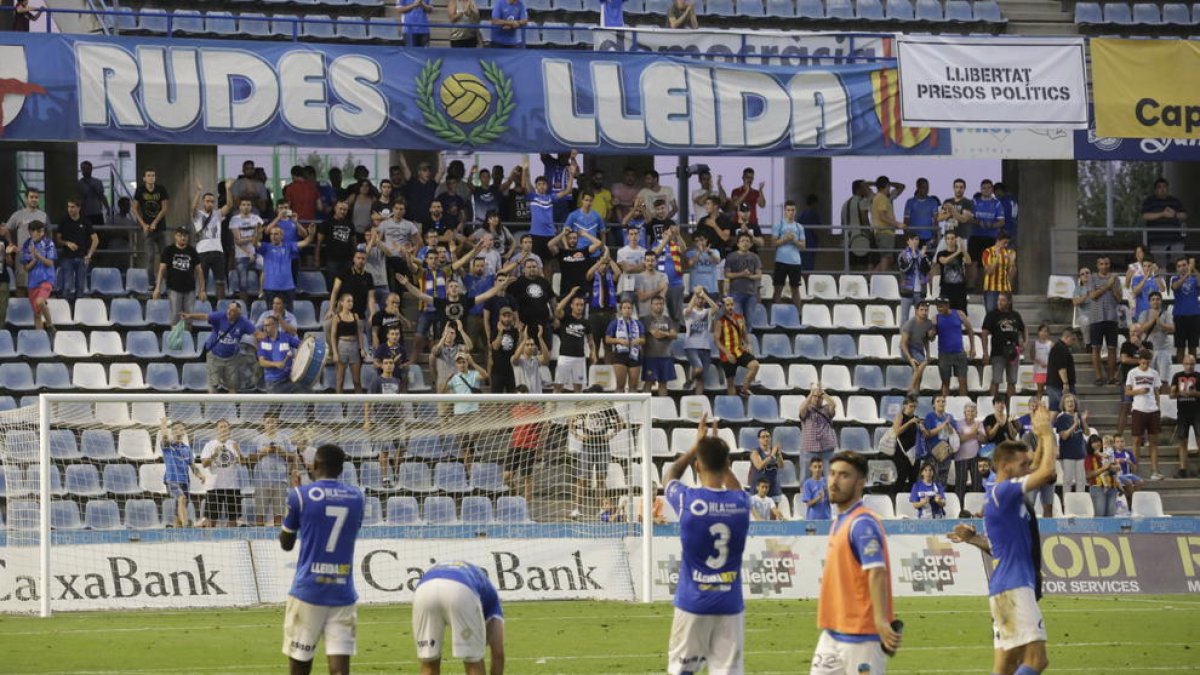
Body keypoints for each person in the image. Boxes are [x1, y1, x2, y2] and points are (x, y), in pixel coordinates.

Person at [948, 405, 1056, 675]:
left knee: (1007, 665)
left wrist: (973, 539)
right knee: (1036, 660)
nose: (1027, 467)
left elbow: (996, 548)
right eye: (1022, 464)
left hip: (1005, 587)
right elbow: (1046, 473)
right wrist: (1045, 433)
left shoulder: (1004, 496)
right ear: (1005, 466)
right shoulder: (1005, 491)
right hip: (1015, 587)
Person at [664, 414, 748, 675]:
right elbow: (737, 489)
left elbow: (670, 476)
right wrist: (716, 456)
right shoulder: (742, 504)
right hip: (729, 604)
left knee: (681, 671)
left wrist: (695, 447)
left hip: (693, 602)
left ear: (698, 466)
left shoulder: (687, 501)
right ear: (727, 465)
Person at [811, 451, 900, 674]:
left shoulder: (862, 523)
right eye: (831, 474)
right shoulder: (841, 521)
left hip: (862, 637)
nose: (833, 481)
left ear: (860, 482)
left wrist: (880, 620)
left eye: (844, 476)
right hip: (833, 631)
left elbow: (876, 571)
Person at [280, 444, 364, 675]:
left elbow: (286, 544)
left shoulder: (300, 495)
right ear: (341, 468)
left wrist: (295, 505)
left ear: (315, 465)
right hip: (342, 591)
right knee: (340, 670)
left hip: (309, 590)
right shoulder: (357, 497)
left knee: (300, 663)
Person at [412, 561, 505, 675]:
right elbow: (498, 653)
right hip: (461, 589)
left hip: (424, 589)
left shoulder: (479, 579)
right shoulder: (493, 602)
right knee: (473, 661)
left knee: (429, 662)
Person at [182, 302, 257, 394]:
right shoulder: (220, 316)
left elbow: (257, 334)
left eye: (232, 311)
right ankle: (212, 406)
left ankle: (233, 406)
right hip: (214, 356)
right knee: (213, 385)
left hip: (232, 358)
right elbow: (205, 316)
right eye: (229, 309)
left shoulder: (244, 322)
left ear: (238, 314)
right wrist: (190, 316)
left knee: (233, 386)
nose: (229, 312)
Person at [569, 404, 623, 519]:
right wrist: (577, 435)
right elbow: (571, 421)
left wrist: (611, 434)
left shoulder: (607, 407)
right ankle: (577, 509)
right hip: (587, 446)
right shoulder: (584, 407)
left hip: (603, 446)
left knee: (600, 479)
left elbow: (620, 422)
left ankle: (601, 510)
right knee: (582, 479)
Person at [251, 412, 299, 526]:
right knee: (260, 514)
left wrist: (280, 451)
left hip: (280, 480)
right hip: (261, 481)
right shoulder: (256, 440)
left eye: (273, 421)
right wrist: (263, 452)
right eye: (268, 422)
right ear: (264, 424)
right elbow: (250, 460)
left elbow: (293, 457)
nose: (271, 424)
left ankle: (277, 539)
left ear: (277, 423)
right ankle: (259, 538)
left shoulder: (285, 438)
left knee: (279, 515)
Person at [981, 292, 1028, 403]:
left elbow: (1024, 328)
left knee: (1012, 381)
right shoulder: (992, 315)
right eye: (998, 300)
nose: (999, 302)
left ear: (1009, 302)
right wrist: (985, 352)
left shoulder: (1015, 315)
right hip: (998, 352)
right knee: (996, 380)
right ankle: (993, 404)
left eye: (1002, 300)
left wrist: (1025, 342)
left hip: (1014, 352)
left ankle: (1010, 405)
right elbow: (984, 333)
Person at [1125, 348, 1164, 480]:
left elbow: (1157, 391)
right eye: (1142, 363)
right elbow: (1127, 392)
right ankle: (1135, 471)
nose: (1145, 365)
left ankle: (1154, 471)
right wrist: (1139, 391)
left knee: (1153, 442)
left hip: (1153, 409)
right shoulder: (1132, 373)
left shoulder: (1154, 373)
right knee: (1136, 441)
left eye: (1147, 363)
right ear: (1139, 361)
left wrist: (1159, 407)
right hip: (1138, 409)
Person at [154, 227, 205, 325]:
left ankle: (188, 338)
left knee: (189, 318)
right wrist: (157, 288)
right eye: (180, 235)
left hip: (190, 289)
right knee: (175, 317)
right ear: (175, 236)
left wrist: (202, 290)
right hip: (174, 288)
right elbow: (161, 270)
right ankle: (174, 340)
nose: (183, 238)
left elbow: (199, 271)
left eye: (185, 235)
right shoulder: (168, 250)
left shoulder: (192, 251)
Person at [191, 183, 233, 301]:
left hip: (217, 251)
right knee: (201, 280)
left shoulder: (217, 214)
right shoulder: (198, 215)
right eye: (207, 201)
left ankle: (221, 304)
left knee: (220, 281)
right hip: (202, 252)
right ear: (203, 202)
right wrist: (199, 191)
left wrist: (228, 189)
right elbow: (193, 208)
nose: (210, 203)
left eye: (212, 201)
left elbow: (229, 205)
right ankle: (201, 304)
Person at [199, 419, 244, 528]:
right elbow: (204, 464)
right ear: (216, 430)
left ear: (229, 429)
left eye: (225, 427)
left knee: (233, 519)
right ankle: (210, 542)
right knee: (211, 519)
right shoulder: (210, 445)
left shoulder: (234, 444)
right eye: (221, 427)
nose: (223, 429)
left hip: (232, 486)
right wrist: (214, 455)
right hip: (214, 486)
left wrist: (238, 451)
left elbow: (243, 463)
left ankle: (234, 541)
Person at [157, 417, 200, 528]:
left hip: (185, 481)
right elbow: (164, 436)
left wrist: (201, 475)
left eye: (180, 428)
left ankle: (177, 527)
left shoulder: (187, 449)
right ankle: (186, 525)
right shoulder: (168, 446)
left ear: (184, 431)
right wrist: (163, 424)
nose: (178, 430)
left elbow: (193, 466)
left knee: (181, 505)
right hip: (172, 480)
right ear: (172, 431)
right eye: (175, 429)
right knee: (181, 498)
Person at [1087, 255, 1123, 386]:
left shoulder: (1116, 279)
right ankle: (1098, 377)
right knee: (1096, 348)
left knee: (1112, 348)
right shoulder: (1092, 278)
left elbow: (1119, 298)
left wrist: (1112, 285)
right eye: (1102, 264)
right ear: (1098, 265)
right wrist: (1107, 285)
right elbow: (1092, 295)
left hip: (1111, 317)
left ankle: (1111, 377)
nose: (1104, 266)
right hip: (1096, 317)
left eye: (1107, 264)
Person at [53, 198, 98, 302]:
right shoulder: (63, 221)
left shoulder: (85, 221)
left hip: (82, 257)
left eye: (72, 207)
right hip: (67, 257)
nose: (70, 209)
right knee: (67, 285)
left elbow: (95, 239)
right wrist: (67, 243)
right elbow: (58, 239)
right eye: (68, 207)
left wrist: (89, 254)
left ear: (79, 208)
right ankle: (66, 309)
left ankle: (78, 310)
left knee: (80, 286)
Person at [716, 294, 759, 396]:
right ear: (723, 306)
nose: (730, 307)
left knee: (755, 365)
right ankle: (732, 407)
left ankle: (744, 389)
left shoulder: (740, 318)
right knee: (731, 384)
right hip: (727, 355)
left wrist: (748, 344)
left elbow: (744, 333)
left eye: (731, 304)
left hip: (739, 351)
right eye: (727, 305)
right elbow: (716, 340)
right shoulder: (720, 321)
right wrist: (727, 353)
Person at [934, 297, 975, 397]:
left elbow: (970, 329)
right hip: (944, 354)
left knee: (963, 381)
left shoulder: (959, 314)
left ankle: (963, 404)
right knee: (945, 383)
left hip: (959, 353)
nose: (939, 308)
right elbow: (931, 334)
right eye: (937, 306)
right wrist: (932, 330)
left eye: (941, 306)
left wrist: (972, 347)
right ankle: (945, 406)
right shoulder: (935, 318)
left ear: (947, 305)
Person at [1141, 177, 1187, 265]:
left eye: (1164, 187)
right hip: (1157, 241)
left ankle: (1177, 279)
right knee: (1160, 267)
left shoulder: (1175, 201)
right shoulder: (1149, 201)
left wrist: (1175, 214)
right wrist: (1162, 214)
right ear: (1155, 189)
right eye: (1159, 187)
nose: (1162, 189)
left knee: (1180, 265)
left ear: (1168, 188)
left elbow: (1184, 215)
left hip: (1175, 240)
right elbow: (1145, 216)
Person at [20, 221, 56, 334]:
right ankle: (40, 339)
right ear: (31, 232)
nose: (41, 233)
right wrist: (35, 259)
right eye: (38, 231)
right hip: (32, 282)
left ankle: (50, 325)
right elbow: (26, 268)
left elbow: (50, 263)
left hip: (46, 279)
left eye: (42, 231)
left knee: (40, 302)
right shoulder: (26, 245)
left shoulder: (49, 243)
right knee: (37, 314)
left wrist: (38, 255)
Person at [133, 170, 169, 279]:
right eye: (148, 176)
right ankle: (151, 283)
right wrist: (143, 224)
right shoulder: (140, 190)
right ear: (144, 178)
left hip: (160, 227)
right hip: (148, 229)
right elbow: (134, 208)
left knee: (165, 256)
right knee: (150, 256)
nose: (151, 178)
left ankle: (166, 280)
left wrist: (155, 222)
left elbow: (164, 208)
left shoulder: (161, 189)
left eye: (153, 175)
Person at [772, 200, 806, 315]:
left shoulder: (799, 227)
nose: (790, 212)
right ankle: (775, 314)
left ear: (795, 211)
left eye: (792, 210)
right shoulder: (778, 225)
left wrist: (794, 240)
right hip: (781, 260)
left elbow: (803, 246)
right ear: (784, 211)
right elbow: (773, 243)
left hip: (795, 262)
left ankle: (798, 315)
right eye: (788, 210)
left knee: (795, 289)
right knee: (778, 288)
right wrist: (785, 239)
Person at [683, 287, 718, 395]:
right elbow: (688, 311)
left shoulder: (707, 312)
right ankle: (690, 380)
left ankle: (697, 398)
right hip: (691, 346)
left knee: (701, 378)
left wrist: (705, 295)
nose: (700, 300)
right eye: (698, 298)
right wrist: (696, 293)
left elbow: (716, 307)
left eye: (701, 298)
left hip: (705, 347)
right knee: (698, 369)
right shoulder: (688, 311)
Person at [554, 293, 591, 394]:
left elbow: (590, 340)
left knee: (579, 389)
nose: (579, 307)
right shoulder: (566, 318)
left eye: (581, 305)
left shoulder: (586, 322)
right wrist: (570, 294)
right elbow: (557, 309)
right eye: (577, 304)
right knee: (558, 387)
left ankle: (578, 410)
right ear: (571, 305)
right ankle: (551, 409)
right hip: (565, 356)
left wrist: (594, 352)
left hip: (580, 358)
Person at [606, 299, 646, 393]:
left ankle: (633, 407)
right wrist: (619, 340)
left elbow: (643, 340)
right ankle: (619, 407)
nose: (627, 310)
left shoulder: (638, 323)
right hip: (620, 355)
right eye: (624, 308)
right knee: (620, 385)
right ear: (621, 310)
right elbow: (607, 339)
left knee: (634, 386)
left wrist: (638, 340)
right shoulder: (614, 323)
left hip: (635, 354)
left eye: (629, 308)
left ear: (632, 310)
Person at [640, 295, 677, 397]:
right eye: (656, 304)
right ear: (651, 305)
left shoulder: (668, 320)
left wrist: (664, 334)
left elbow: (674, 335)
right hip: (650, 356)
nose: (659, 306)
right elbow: (656, 334)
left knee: (663, 384)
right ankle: (644, 408)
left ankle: (662, 408)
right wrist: (667, 334)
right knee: (648, 383)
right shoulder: (646, 320)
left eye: (661, 304)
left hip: (666, 356)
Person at [1135, 290, 1175, 386]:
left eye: (1157, 299)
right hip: (1148, 350)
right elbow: (1141, 329)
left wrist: (1159, 322)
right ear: (1149, 302)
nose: (1155, 301)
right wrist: (1153, 319)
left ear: (1161, 301)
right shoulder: (1144, 314)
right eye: (1153, 299)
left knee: (1164, 380)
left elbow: (1172, 328)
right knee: (1149, 379)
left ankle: (1164, 400)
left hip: (1163, 349)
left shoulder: (1166, 314)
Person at [798, 383, 838, 474]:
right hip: (809, 448)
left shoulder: (826, 409)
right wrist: (811, 393)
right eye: (815, 396)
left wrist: (822, 392)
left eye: (819, 397)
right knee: (805, 476)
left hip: (826, 448)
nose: (817, 399)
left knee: (829, 476)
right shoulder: (807, 409)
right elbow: (801, 409)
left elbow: (833, 404)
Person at [1171, 352, 1200, 478]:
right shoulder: (1177, 376)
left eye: (1192, 364)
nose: (1189, 366)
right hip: (1182, 412)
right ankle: (1182, 468)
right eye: (1187, 364)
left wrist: (1195, 394)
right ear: (1183, 364)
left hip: (1197, 412)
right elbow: (1171, 395)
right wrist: (1177, 393)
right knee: (1182, 441)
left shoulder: (1198, 376)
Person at [229, 198, 264, 302]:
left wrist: (255, 237)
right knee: (243, 282)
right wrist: (252, 239)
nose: (246, 206)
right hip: (241, 255)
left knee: (265, 267)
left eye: (248, 204)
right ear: (240, 207)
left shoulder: (256, 218)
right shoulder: (235, 219)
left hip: (256, 252)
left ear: (251, 207)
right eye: (243, 204)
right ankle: (244, 305)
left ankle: (261, 293)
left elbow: (260, 237)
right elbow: (238, 241)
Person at [329, 293, 365, 394]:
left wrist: (362, 348)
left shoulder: (355, 316)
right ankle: (340, 407)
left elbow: (359, 334)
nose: (350, 303)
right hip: (342, 346)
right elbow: (333, 336)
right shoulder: (337, 317)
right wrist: (335, 353)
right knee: (340, 380)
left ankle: (361, 407)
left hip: (354, 346)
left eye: (352, 301)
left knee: (357, 381)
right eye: (348, 301)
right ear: (342, 303)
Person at [1054, 394, 1089, 493]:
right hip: (1068, 454)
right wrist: (1074, 424)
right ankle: (1067, 504)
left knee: (1081, 481)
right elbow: (1064, 436)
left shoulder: (1078, 415)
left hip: (1081, 453)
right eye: (1068, 402)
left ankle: (1080, 502)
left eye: (1072, 401)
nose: (1070, 403)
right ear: (1063, 405)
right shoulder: (1061, 418)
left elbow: (1087, 432)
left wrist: (1084, 421)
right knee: (1068, 481)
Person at [258, 314, 302, 393]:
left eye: (268, 325)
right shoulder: (263, 341)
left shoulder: (286, 337)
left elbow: (301, 345)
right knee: (275, 404)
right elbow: (262, 362)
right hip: (273, 382)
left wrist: (308, 341)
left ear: (276, 325)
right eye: (264, 326)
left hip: (289, 378)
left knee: (306, 391)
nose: (265, 328)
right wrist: (275, 364)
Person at [920, 395, 957, 486]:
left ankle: (940, 498)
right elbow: (928, 434)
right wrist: (942, 425)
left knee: (942, 482)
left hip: (945, 454)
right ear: (933, 405)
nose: (941, 403)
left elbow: (954, 434)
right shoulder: (929, 416)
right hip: (933, 454)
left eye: (943, 401)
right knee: (931, 480)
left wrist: (949, 426)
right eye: (938, 401)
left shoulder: (950, 417)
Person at [899, 300, 935, 394]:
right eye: (921, 310)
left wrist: (928, 353)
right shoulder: (909, 324)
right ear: (916, 311)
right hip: (908, 348)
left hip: (919, 349)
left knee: (920, 373)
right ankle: (911, 387)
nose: (924, 312)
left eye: (926, 310)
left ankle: (916, 394)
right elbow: (903, 343)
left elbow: (926, 339)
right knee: (922, 363)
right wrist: (910, 358)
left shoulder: (929, 323)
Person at [954, 402, 985, 506]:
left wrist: (971, 434)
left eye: (973, 411)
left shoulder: (979, 423)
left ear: (976, 413)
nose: (970, 413)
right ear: (964, 412)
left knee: (977, 483)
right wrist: (974, 433)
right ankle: (960, 507)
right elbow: (959, 439)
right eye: (968, 411)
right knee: (960, 484)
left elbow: (983, 439)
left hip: (975, 457)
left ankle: (975, 506)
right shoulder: (959, 423)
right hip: (961, 457)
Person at [896, 232, 931, 324]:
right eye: (912, 239)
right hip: (907, 290)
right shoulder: (903, 255)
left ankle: (919, 337)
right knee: (904, 317)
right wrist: (914, 257)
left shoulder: (923, 254)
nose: (915, 242)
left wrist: (922, 257)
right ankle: (903, 337)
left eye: (917, 239)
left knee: (921, 317)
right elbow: (905, 269)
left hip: (920, 291)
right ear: (908, 242)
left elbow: (926, 269)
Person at [890, 396, 922, 492]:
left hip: (913, 452)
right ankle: (895, 498)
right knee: (902, 476)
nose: (913, 409)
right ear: (905, 406)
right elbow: (896, 432)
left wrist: (922, 428)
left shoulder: (916, 418)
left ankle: (909, 500)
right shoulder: (900, 416)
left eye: (914, 407)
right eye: (911, 406)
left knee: (913, 478)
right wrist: (909, 422)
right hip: (902, 452)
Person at [1171, 257, 1200, 363]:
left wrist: (1194, 269)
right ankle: (1180, 371)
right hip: (1180, 317)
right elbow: (1175, 286)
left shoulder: (1194, 278)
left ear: (1188, 265)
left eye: (1184, 265)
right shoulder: (1174, 279)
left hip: (1195, 316)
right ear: (1177, 269)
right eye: (1179, 266)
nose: (1182, 268)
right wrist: (1187, 274)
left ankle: (1193, 374)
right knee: (1180, 347)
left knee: (1193, 347)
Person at [1084, 434, 1120, 517]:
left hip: (1112, 487)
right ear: (1090, 445)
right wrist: (1103, 469)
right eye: (1093, 442)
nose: (1097, 444)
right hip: (1097, 488)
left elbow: (1116, 468)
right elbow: (1088, 475)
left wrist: (1114, 468)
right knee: (1100, 517)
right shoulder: (1089, 458)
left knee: (1111, 517)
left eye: (1098, 441)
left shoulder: (1108, 453)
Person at [980, 231, 1016, 315]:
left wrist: (1012, 263)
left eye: (1008, 243)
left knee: (1007, 314)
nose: (1006, 245)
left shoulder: (1010, 253)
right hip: (991, 289)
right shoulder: (987, 252)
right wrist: (996, 258)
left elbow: (1012, 275)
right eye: (1004, 243)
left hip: (1005, 288)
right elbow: (988, 271)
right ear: (998, 241)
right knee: (991, 314)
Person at [935, 229, 970, 312]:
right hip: (946, 288)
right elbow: (944, 261)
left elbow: (968, 261)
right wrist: (958, 252)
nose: (950, 241)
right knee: (945, 312)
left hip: (960, 288)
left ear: (955, 239)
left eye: (952, 238)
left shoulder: (961, 253)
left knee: (961, 313)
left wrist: (962, 248)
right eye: (948, 238)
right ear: (945, 240)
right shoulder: (941, 253)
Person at [748, 428, 783, 507]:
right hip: (759, 487)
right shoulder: (755, 452)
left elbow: (781, 466)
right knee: (758, 515)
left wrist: (779, 455)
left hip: (773, 486)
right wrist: (772, 455)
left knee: (773, 515)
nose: (766, 439)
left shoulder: (774, 451)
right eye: (763, 437)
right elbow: (759, 466)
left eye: (767, 436)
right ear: (759, 439)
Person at [1045, 328, 1077, 414]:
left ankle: (1051, 426)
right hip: (1058, 386)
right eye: (1073, 339)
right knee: (1063, 409)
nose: (1073, 342)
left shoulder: (1059, 347)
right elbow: (1061, 368)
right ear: (1067, 337)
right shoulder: (1061, 348)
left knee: (1055, 409)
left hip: (1055, 385)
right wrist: (1065, 383)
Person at [903, 177, 940, 244]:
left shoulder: (933, 202)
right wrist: (906, 236)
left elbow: (936, 221)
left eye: (927, 187)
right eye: (923, 187)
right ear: (918, 188)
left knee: (927, 254)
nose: (926, 190)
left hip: (928, 238)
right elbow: (906, 221)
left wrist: (935, 236)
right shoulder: (910, 202)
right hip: (913, 238)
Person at [1111, 434, 1143, 508]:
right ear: (1114, 444)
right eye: (1117, 442)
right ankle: (1131, 505)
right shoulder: (1112, 453)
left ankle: (1135, 503)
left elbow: (1135, 469)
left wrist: (1130, 463)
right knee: (1129, 484)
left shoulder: (1128, 453)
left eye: (1122, 441)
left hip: (1127, 475)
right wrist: (1116, 461)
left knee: (1140, 482)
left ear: (1125, 443)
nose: (1120, 444)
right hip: (1117, 476)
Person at [78, 161, 109, 227]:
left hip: (97, 212)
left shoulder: (98, 182)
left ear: (91, 169)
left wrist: (107, 208)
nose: (85, 171)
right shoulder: (79, 184)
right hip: (85, 214)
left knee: (99, 232)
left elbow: (102, 196)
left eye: (87, 169)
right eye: (83, 169)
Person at [1029, 324, 1053, 399]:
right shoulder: (1035, 343)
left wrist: (1048, 364)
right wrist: (1040, 362)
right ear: (1038, 332)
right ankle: (1038, 406)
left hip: (1049, 371)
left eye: (1046, 331)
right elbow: (1032, 356)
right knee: (1040, 390)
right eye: (1041, 331)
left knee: (1050, 390)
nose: (1043, 333)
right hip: (1039, 370)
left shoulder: (1051, 344)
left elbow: (1054, 357)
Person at [1072, 267, 1093, 349]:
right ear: (1080, 277)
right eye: (1082, 274)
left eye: (1087, 273)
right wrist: (1086, 295)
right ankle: (1088, 343)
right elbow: (1075, 302)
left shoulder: (1097, 287)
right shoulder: (1078, 289)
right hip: (1083, 316)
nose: (1085, 275)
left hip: (1097, 315)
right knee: (1086, 321)